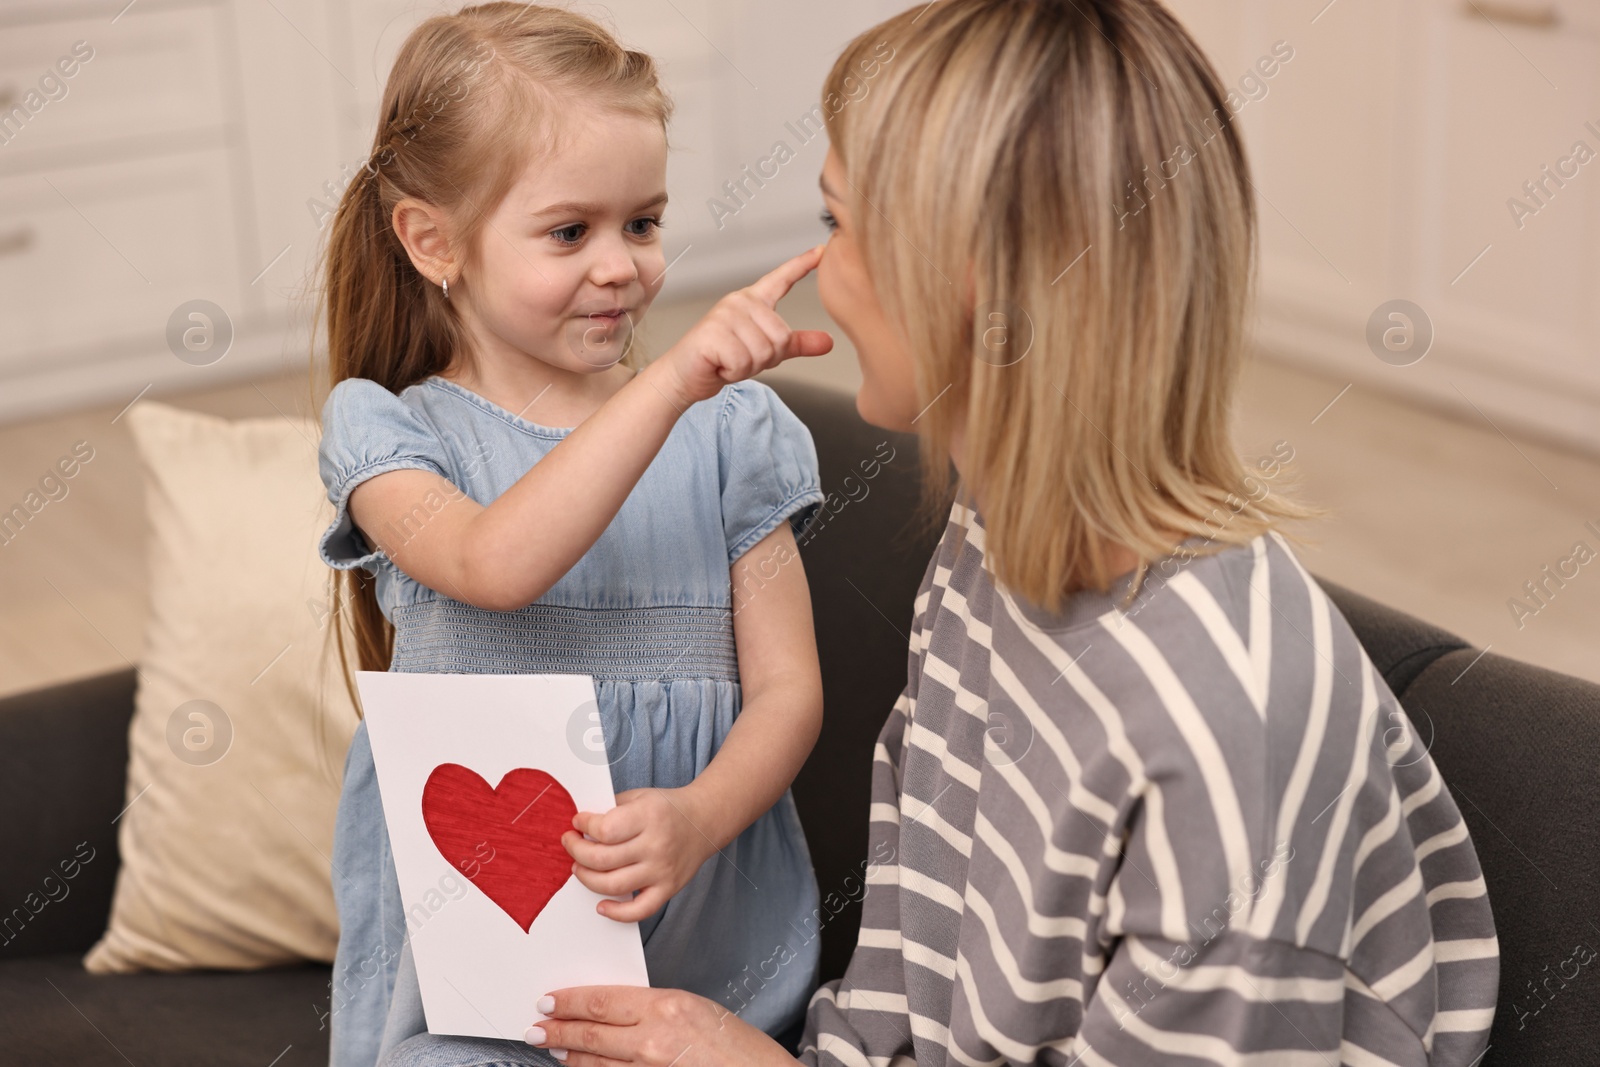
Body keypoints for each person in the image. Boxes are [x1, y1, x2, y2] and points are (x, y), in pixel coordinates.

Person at [529, 1, 1500, 1064]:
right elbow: (913, 950)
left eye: (835, 227)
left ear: (973, 282)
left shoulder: (1229, 728)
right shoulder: (988, 534)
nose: (821, 278)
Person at [311, 5, 838, 1065]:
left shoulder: (735, 435)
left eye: (642, 223)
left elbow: (790, 690)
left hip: (709, 953)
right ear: (434, 241)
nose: (621, 267)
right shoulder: (390, 432)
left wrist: (695, 816)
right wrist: (673, 384)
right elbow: (494, 562)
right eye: (570, 232)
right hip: (480, 972)